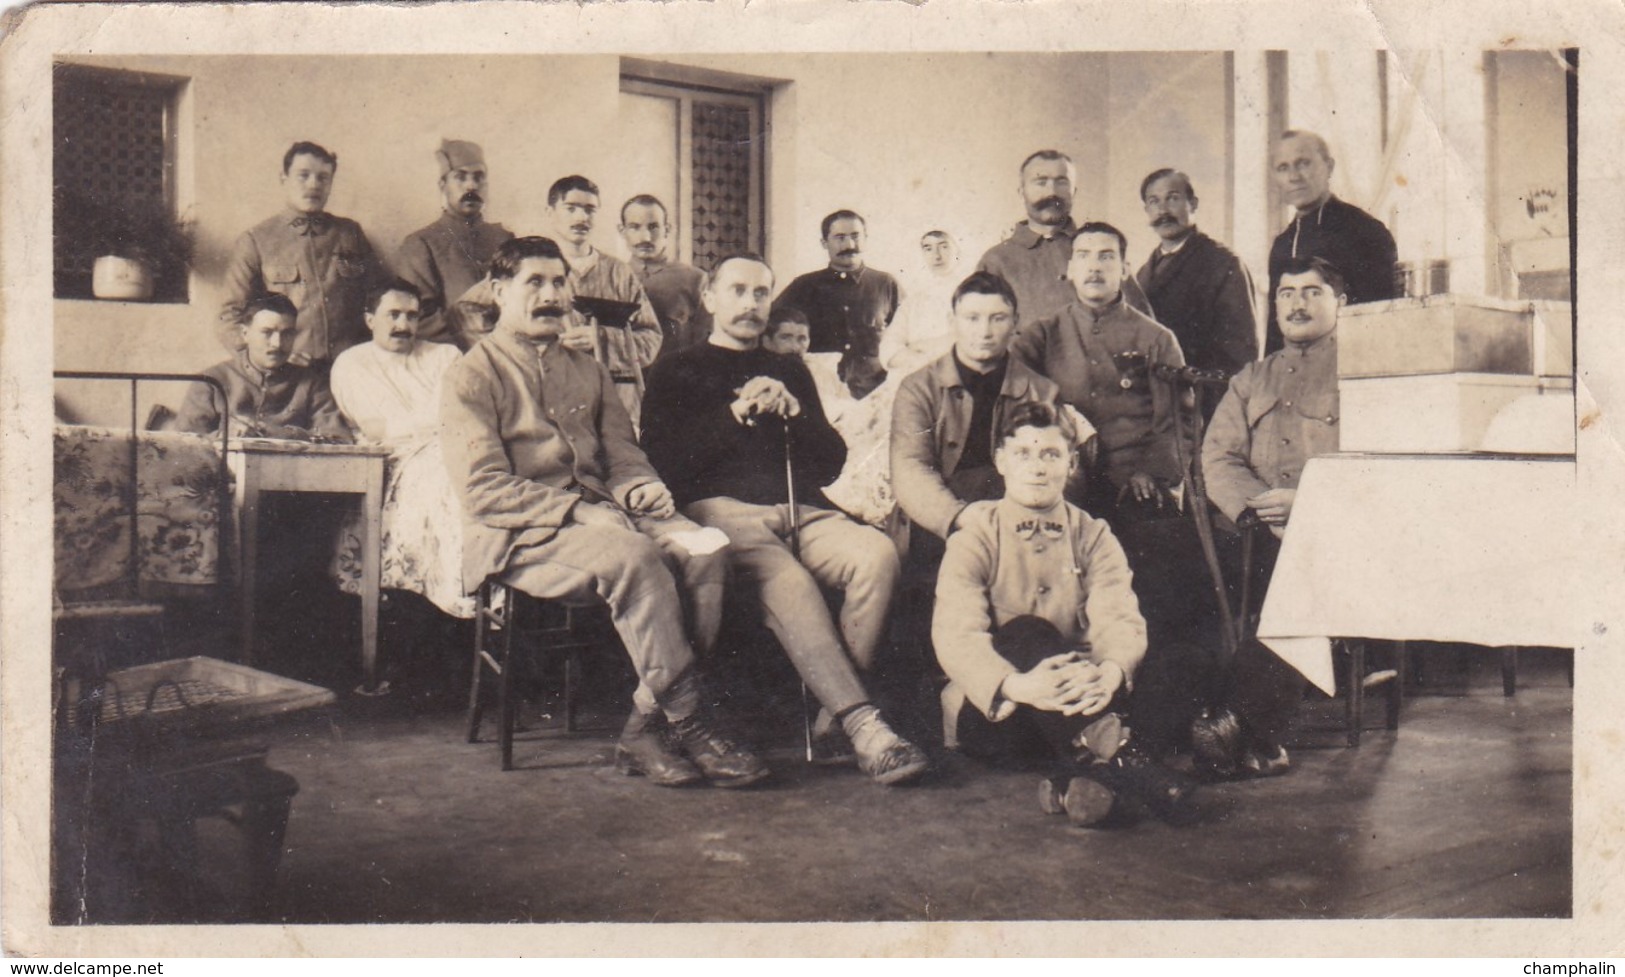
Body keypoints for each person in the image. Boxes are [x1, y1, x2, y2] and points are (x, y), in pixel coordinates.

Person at [440, 236, 764, 789]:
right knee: (637, 556)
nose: (550, 295)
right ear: (499, 291)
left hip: (609, 517)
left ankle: (643, 727)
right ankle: (690, 721)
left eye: (559, 282)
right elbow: (483, 489)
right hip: (522, 536)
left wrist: (641, 487)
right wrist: (578, 512)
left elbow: (623, 452)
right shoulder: (471, 374)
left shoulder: (586, 368)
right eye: (534, 283)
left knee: (707, 549)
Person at [641, 252, 931, 786]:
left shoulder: (788, 367)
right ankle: (865, 727)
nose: (751, 304)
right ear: (709, 297)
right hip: (722, 514)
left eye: (760, 293)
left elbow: (830, 462)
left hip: (802, 508)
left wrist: (796, 414)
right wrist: (734, 415)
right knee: (791, 583)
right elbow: (664, 466)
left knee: (878, 556)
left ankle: (830, 721)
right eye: (738, 291)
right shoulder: (675, 369)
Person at [932, 401, 1196, 827]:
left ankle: (1088, 774)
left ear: (1072, 463)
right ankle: (1129, 760)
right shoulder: (975, 536)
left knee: (1184, 659)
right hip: (1007, 709)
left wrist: (1110, 672)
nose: (1037, 468)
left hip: (1086, 696)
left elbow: (1118, 616)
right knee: (1025, 631)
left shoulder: (1093, 533)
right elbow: (955, 635)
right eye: (1024, 454)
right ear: (1001, 461)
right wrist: (1020, 686)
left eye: (1051, 454)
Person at [1193, 256, 1346, 778]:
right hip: (1254, 532)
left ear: (1339, 303)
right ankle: (1220, 727)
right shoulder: (1251, 378)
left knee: (1298, 584)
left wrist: (1306, 505)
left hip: (1337, 534)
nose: (1297, 303)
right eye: (1285, 293)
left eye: (1312, 292)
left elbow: (1377, 464)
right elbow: (1217, 458)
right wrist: (1261, 510)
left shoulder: (1365, 373)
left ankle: (1238, 724)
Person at [1010, 222, 1186, 515]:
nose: (1094, 266)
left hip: (1133, 478)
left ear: (1125, 269)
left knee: (1154, 533)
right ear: (1071, 269)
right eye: (1084, 256)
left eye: (1106, 256)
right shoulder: (1041, 334)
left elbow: (1179, 422)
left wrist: (1152, 472)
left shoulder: (1156, 338)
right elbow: (1015, 396)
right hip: (1062, 472)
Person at [328, 280, 470, 619]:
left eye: (411, 316)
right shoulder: (351, 363)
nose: (403, 325)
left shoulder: (445, 356)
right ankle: (457, 591)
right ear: (369, 319)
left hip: (452, 444)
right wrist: (435, 420)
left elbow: (461, 412)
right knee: (448, 477)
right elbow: (378, 429)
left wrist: (433, 423)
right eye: (393, 315)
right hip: (394, 457)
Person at [219, 141, 386, 368]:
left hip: (352, 367)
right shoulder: (256, 240)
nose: (313, 185)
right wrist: (269, 357)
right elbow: (230, 316)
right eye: (303, 175)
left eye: (323, 177)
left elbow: (380, 300)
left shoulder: (350, 233)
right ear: (283, 178)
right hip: (289, 374)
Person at [977, 150, 1153, 327]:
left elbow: (1144, 325)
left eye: (1061, 182)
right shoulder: (996, 261)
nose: (1051, 192)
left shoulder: (1102, 249)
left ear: (1073, 191)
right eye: (1041, 182)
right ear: (1021, 192)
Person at [1265, 130, 1397, 353]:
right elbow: (1275, 333)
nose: (1294, 177)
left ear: (1329, 167)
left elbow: (1380, 322)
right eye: (1283, 168)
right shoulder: (1282, 245)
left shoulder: (1365, 231)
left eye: (1303, 163)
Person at [544, 175, 663, 422]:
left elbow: (651, 337)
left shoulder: (619, 272)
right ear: (550, 212)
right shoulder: (530, 265)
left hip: (616, 405)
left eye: (589, 210)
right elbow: (468, 313)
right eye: (571, 208)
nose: (581, 218)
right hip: (551, 402)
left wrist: (602, 339)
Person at [1133, 168, 1258, 389]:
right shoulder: (1143, 273)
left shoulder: (1223, 263)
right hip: (1155, 399)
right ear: (1146, 210)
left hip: (1203, 399)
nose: (1163, 210)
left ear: (1193, 203)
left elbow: (1241, 355)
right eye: (1154, 201)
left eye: (1173, 198)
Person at [179, 293, 351, 441]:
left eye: (287, 334)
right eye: (267, 332)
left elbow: (339, 438)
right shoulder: (211, 381)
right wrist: (222, 436)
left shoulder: (312, 384)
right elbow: (184, 442)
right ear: (245, 333)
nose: (277, 344)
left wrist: (286, 434)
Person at [395, 139, 514, 348]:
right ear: (443, 185)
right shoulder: (420, 244)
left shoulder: (505, 239)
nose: (471, 186)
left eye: (479, 177)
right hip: (453, 355)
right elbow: (420, 318)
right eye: (460, 177)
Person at [771, 210, 902, 355]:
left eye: (855, 236)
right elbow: (771, 328)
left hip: (875, 377)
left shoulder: (886, 284)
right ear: (824, 243)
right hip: (820, 376)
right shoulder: (803, 286)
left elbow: (908, 334)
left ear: (865, 238)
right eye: (840, 238)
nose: (850, 245)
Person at [619, 194, 711, 360]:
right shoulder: (613, 277)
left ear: (667, 230)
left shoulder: (695, 280)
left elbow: (707, 343)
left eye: (653, 227)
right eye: (634, 227)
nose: (645, 237)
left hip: (675, 380)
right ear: (622, 230)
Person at [880, 229, 966, 374]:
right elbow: (888, 349)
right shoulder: (914, 301)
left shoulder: (972, 294)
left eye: (944, 247)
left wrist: (920, 346)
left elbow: (968, 342)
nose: (936, 256)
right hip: (918, 379)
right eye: (928, 249)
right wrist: (922, 361)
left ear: (957, 251)